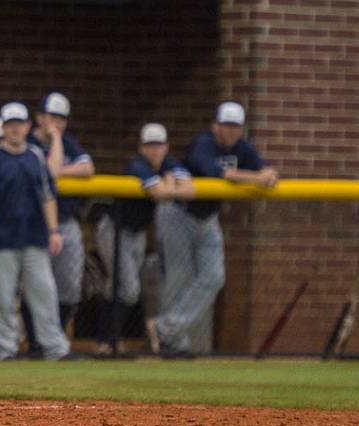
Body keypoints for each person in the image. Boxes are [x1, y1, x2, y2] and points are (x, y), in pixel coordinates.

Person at [156, 101, 278, 358]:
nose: (231, 131)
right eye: (226, 125)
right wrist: (256, 178)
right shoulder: (204, 143)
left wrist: (268, 173)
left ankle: (168, 328)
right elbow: (216, 173)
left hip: (208, 218)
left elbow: (263, 167)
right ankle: (174, 344)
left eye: (236, 126)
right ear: (215, 126)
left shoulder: (242, 147)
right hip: (179, 213)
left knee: (214, 276)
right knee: (179, 279)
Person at [0, 101, 70, 361]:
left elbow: (49, 196)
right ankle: (6, 349)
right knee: (3, 298)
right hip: (3, 240)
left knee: (44, 294)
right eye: (10, 125)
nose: (14, 129)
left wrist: (54, 231)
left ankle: (55, 348)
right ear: (3, 128)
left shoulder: (36, 157)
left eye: (19, 124)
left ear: (27, 126)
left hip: (34, 237)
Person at [101, 123, 192, 347]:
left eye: (158, 145)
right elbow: (159, 193)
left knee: (119, 286)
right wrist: (170, 184)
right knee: (129, 289)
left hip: (137, 233)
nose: (154, 150)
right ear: (142, 148)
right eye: (149, 145)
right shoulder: (138, 164)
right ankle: (108, 340)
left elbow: (189, 189)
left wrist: (169, 186)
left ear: (166, 146)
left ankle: (105, 342)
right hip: (114, 230)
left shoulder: (169, 162)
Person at [28, 92, 94, 338]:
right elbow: (51, 172)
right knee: (38, 286)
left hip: (66, 221)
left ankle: (55, 337)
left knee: (69, 287)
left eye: (61, 118)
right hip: (35, 224)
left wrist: (61, 165)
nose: (56, 123)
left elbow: (88, 167)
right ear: (39, 118)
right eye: (50, 117)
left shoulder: (69, 142)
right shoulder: (29, 143)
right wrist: (56, 141)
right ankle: (36, 341)